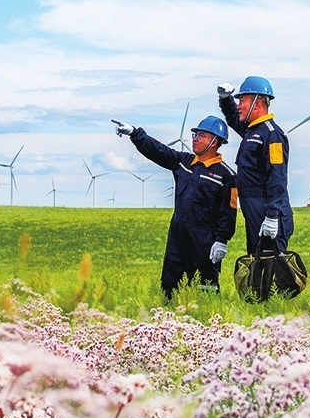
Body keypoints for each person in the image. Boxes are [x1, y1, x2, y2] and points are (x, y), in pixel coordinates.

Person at [112, 114, 238, 300]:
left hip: (203, 245)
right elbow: (158, 151)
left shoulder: (226, 176)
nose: (195, 139)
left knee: (205, 291)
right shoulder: (183, 162)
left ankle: (207, 317)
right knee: (169, 287)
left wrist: (222, 240)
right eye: (195, 134)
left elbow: (228, 212)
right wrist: (135, 133)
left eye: (201, 135)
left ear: (214, 141)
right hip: (177, 242)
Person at [218, 76, 292, 257]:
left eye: (242, 100)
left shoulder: (272, 135)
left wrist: (272, 216)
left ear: (257, 103)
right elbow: (233, 117)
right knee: (257, 264)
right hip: (254, 212)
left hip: (268, 213)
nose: (238, 106)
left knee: (272, 267)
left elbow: (277, 176)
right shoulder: (252, 131)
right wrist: (225, 99)